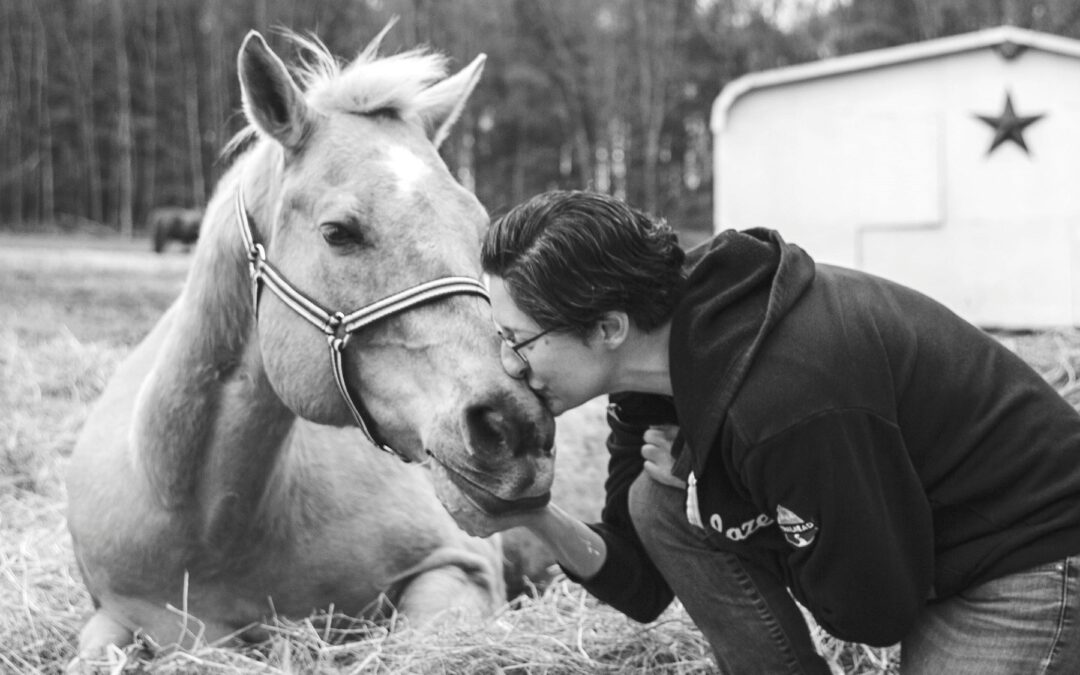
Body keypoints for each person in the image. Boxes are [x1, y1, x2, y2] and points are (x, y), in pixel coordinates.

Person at [476, 189, 1080, 674]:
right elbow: (641, 583)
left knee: (684, 494)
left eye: (518, 340)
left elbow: (872, 616)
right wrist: (532, 513)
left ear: (607, 327)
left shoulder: (783, 398)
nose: (509, 365)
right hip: (930, 550)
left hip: (1027, 555)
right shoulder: (652, 371)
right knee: (654, 503)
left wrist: (715, 489)